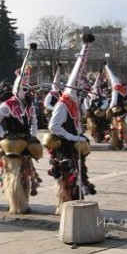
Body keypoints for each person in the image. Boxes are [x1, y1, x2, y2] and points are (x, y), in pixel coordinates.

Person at [46, 34, 96, 213]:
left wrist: (79, 134)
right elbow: (53, 126)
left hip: (74, 146)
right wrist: (72, 136)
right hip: (64, 148)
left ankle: (74, 205)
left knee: (78, 176)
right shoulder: (62, 105)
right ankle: (65, 205)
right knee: (66, 178)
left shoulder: (74, 105)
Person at [0, 44, 42, 213]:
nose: (25, 91)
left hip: (26, 142)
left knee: (25, 174)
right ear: (16, 88)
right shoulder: (7, 105)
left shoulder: (29, 105)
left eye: (27, 88)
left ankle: (24, 202)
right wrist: (3, 134)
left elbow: (34, 123)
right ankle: (16, 204)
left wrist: (33, 136)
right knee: (13, 174)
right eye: (23, 88)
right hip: (12, 144)